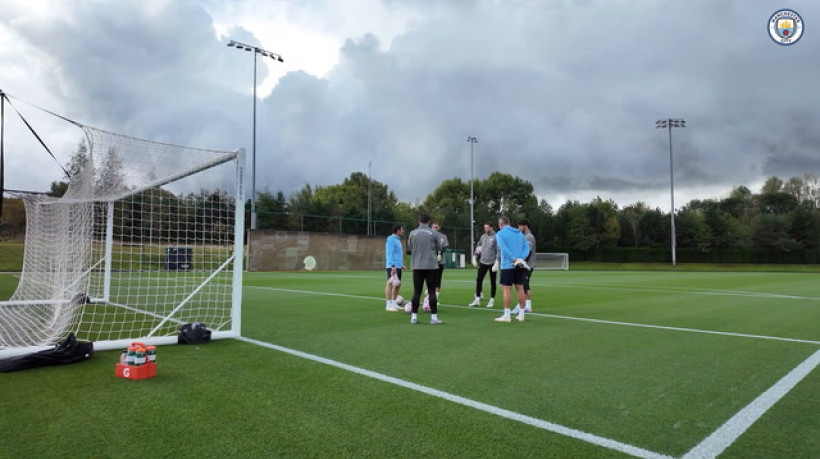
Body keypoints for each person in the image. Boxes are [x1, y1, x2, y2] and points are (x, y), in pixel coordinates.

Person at [493, 216, 531, 323]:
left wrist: (514, 259)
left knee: (506, 289)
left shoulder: (500, 234)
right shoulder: (519, 234)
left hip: (507, 265)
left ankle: (507, 315)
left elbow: (504, 248)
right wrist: (520, 258)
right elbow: (527, 248)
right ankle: (521, 315)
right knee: (520, 288)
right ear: (509, 223)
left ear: (500, 224)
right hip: (520, 265)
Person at [407, 213, 443, 324]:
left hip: (417, 265)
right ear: (429, 222)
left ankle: (414, 317)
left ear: (419, 221)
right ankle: (434, 318)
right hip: (431, 265)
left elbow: (410, 247)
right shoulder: (434, 233)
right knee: (432, 291)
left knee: (417, 291)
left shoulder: (412, 233)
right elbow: (439, 247)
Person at [468, 222, 497, 308]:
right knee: (479, 279)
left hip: (492, 262)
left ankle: (492, 299)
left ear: (491, 228)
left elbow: (498, 250)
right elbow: (479, 247)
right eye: (485, 227)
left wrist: (497, 261)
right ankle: (477, 298)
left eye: (487, 227)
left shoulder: (496, 237)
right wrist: (475, 256)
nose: (485, 229)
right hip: (483, 261)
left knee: (493, 281)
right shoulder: (483, 237)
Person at [512, 218, 535, 314]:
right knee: (525, 285)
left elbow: (528, 251)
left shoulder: (529, 237)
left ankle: (521, 305)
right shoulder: (524, 236)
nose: (519, 228)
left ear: (525, 226)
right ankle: (528, 306)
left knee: (522, 285)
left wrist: (521, 261)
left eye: (520, 226)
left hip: (526, 265)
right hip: (525, 264)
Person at [384, 224, 405, 312]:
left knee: (397, 284)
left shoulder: (398, 240)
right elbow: (390, 253)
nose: (403, 231)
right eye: (402, 229)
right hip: (392, 266)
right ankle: (388, 305)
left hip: (398, 266)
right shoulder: (391, 239)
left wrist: (401, 264)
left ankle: (394, 303)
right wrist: (392, 265)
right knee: (390, 284)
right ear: (398, 230)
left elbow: (398, 254)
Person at [428, 221, 449, 301]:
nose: (435, 229)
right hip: (430, 261)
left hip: (440, 262)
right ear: (431, 227)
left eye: (436, 227)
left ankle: (435, 298)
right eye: (434, 227)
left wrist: (439, 252)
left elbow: (445, 246)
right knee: (430, 279)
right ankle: (429, 296)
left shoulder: (443, 237)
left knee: (438, 279)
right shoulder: (428, 236)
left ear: (439, 228)